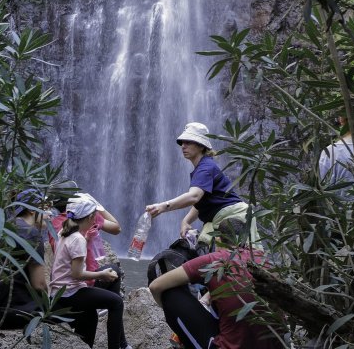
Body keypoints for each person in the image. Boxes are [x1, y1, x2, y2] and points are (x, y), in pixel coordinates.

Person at [148, 218, 282, 349]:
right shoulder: (263, 259)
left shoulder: (216, 260)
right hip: (274, 344)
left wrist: (170, 310)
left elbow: (156, 286)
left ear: (217, 239)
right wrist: (205, 301)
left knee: (170, 292)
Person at [145, 122, 258, 246]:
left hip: (234, 217)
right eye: (182, 143)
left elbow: (194, 196)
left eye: (188, 142)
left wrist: (163, 206)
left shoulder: (205, 168)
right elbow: (202, 199)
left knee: (239, 259)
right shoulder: (204, 166)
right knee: (208, 250)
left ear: (201, 146)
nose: (183, 146)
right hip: (220, 218)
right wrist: (186, 220)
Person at [49, 196, 131, 349]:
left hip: (59, 291)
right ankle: (117, 346)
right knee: (116, 302)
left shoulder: (64, 232)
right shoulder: (77, 239)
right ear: (91, 217)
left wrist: (87, 239)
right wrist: (102, 274)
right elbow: (77, 274)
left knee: (90, 314)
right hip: (70, 293)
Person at [0, 188, 49, 329]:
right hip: (9, 311)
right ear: (32, 210)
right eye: (45, 209)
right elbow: (39, 285)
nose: (48, 215)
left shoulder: (0, 226)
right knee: (65, 307)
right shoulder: (32, 234)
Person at [51, 192, 124, 298]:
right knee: (116, 296)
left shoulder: (57, 225)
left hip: (61, 283)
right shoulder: (89, 217)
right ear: (91, 217)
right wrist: (97, 205)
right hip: (81, 283)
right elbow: (117, 228)